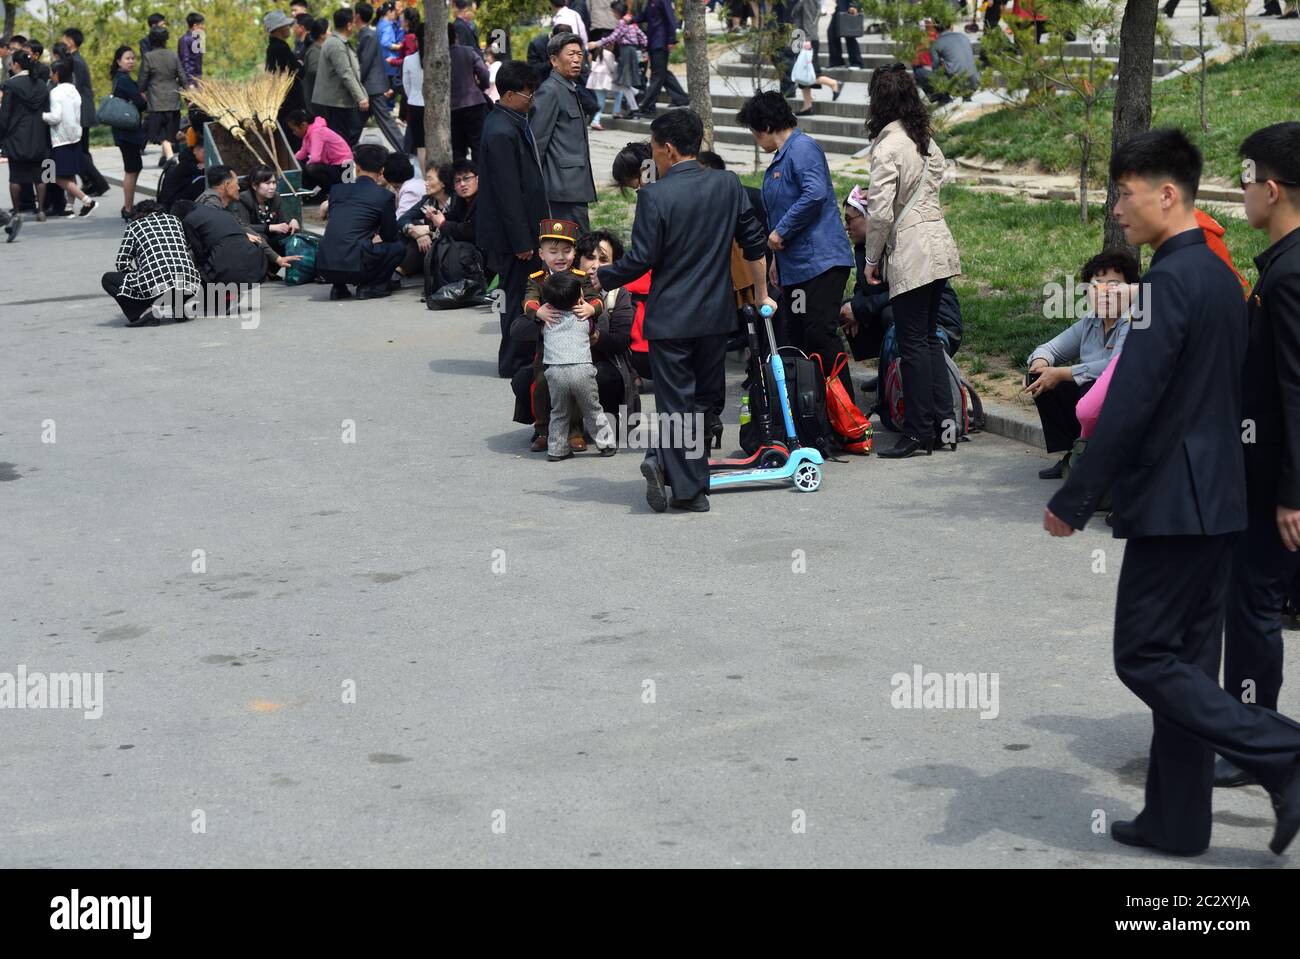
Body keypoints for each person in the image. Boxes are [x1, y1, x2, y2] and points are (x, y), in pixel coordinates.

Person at [1044, 128, 1300, 858]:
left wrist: (1075, 497)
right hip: (1220, 500)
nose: (1117, 208)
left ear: (1167, 194)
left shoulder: (1166, 284)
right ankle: (1178, 820)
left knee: (1144, 657)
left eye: (1126, 192)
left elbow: (1133, 403)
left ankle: (1280, 750)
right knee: (1184, 664)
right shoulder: (1221, 276)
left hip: (1176, 502)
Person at [596, 109, 775, 513]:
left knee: (676, 404)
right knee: (702, 401)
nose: (653, 159)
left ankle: (687, 486)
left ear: (669, 150)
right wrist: (762, 294)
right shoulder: (728, 184)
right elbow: (754, 242)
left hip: (671, 320)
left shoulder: (655, 196)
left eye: (655, 150)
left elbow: (641, 259)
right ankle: (675, 470)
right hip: (715, 318)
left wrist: (604, 277)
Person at [1216, 123, 1300, 789]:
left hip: (1277, 478)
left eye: (1245, 179)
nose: (1238, 191)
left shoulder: (1290, 273)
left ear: (1271, 190)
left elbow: (1296, 388)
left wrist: (1292, 491)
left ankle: (1256, 739)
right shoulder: (1283, 263)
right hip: (1268, 468)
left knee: (1253, 603)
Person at [861, 63, 962, 458]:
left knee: (913, 342)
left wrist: (871, 258)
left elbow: (881, 212)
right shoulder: (924, 139)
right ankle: (942, 422)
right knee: (929, 341)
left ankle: (919, 430)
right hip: (938, 244)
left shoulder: (888, 146)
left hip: (912, 251)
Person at [738, 91, 855, 400]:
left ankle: (846, 410)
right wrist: (778, 257)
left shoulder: (802, 149)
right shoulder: (782, 158)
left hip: (821, 263)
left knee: (820, 334)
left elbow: (814, 194)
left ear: (764, 126)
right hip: (795, 267)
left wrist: (781, 233)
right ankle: (813, 411)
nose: (755, 140)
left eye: (753, 132)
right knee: (800, 337)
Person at [1023, 250, 1137, 479]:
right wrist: (1040, 363)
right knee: (1038, 378)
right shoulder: (1091, 321)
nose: (1104, 292)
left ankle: (1099, 457)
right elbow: (1050, 348)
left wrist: (1062, 373)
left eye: (1114, 284)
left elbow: (1115, 366)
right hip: (1089, 396)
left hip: (1122, 397)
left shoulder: (1134, 320)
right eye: (1097, 285)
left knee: (1082, 384)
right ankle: (1072, 454)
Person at [477, 60, 551, 378]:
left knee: (523, 294)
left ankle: (517, 357)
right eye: (527, 92)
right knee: (518, 297)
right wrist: (522, 240)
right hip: (513, 238)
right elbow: (508, 193)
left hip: (521, 231)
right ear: (508, 94)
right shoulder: (500, 130)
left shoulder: (513, 120)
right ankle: (514, 360)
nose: (531, 98)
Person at [513, 218, 607, 454]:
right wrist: (539, 311)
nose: (560, 257)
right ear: (542, 253)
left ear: (575, 252)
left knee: (577, 385)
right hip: (548, 346)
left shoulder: (580, 276)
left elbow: (597, 299)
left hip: (577, 345)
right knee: (544, 384)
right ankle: (543, 430)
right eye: (553, 251)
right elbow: (528, 301)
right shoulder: (537, 278)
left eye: (567, 251)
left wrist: (590, 308)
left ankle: (575, 431)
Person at [534, 268, 616, 461]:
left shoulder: (547, 321)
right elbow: (592, 331)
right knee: (593, 409)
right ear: (579, 296)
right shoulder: (584, 318)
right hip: (582, 370)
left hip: (555, 372)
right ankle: (606, 445)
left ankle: (556, 450)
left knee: (559, 412)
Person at [316, 142, 404, 299]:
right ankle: (372, 287)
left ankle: (338, 287)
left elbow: (339, 226)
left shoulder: (336, 190)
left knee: (346, 242)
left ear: (356, 167)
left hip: (324, 263)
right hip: (356, 266)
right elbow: (390, 235)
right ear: (382, 171)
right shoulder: (384, 196)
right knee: (397, 247)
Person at [185, 165, 294, 283]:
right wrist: (243, 235)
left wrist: (277, 259)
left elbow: (243, 227)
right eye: (236, 183)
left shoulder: (220, 204)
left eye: (274, 182)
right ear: (227, 185)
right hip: (200, 267)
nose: (238, 187)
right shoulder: (210, 205)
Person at [532, 32, 597, 230]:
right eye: (570, 55)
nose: (577, 59)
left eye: (579, 54)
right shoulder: (550, 91)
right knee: (570, 244)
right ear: (554, 60)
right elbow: (537, 142)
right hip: (560, 188)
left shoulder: (568, 87)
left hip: (574, 185)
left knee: (579, 244)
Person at [103, 200, 202, 326]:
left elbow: (122, 262)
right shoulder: (175, 221)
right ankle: (179, 307)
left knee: (107, 279)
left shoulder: (135, 226)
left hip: (157, 286)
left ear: (139, 214)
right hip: (191, 284)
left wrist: (139, 277)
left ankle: (145, 312)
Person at [41, 59, 96, 217]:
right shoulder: (74, 91)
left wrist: (42, 116)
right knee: (70, 174)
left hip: (60, 138)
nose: (50, 76)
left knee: (54, 176)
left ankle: (87, 200)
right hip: (74, 136)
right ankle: (69, 208)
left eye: (52, 73)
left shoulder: (55, 92)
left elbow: (55, 117)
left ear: (57, 74)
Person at [0, 50, 51, 222]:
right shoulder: (42, 84)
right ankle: (42, 211)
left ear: (16, 64)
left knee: (16, 176)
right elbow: (47, 109)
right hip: (39, 134)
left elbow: (5, 114)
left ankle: (17, 211)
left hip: (17, 136)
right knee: (41, 175)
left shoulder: (11, 85)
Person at [60, 29, 110, 198]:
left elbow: (77, 89)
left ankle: (97, 183)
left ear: (71, 42)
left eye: (65, 39)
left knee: (80, 152)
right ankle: (90, 182)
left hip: (81, 112)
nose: (62, 41)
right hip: (81, 111)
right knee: (82, 151)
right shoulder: (75, 60)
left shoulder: (75, 62)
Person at [312, 7, 370, 146]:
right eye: (353, 22)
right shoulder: (335, 44)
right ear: (349, 25)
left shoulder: (339, 41)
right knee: (343, 137)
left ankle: (343, 163)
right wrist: (360, 96)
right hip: (335, 102)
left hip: (339, 101)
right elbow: (346, 73)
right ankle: (342, 166)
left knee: (347, 134)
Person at [354, 2, 404, 152]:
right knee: (355, 125)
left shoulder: (368, 35)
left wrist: (354, 82)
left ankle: (406, 152)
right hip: (370, 87)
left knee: (386, 124)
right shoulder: (366, 33)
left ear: (357, 16)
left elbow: (365, 63)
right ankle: (344, 153)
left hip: (372, 88)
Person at [107, 45, 148, 220]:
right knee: (131, 169)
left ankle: (128, 206)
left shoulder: (119, 78)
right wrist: (142, 98)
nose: (131, 61)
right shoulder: (124, 80)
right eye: (127, 58)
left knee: (134, 167)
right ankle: (128, 208)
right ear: (118, 61)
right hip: (127, 131)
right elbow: (141, 102)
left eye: (133, 58)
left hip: (123, 130)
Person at [589, 3, 646, 120]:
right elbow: (644, 38)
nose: (613, 14)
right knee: (622, 83)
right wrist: (643, 50)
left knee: (622, 82)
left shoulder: (621, 23)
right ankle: (635, 100)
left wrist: (597, 43)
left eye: (613, 12)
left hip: (625, 52)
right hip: (632, 52)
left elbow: (613, 37)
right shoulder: (632, 24)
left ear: (617, 12)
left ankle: (635, 103)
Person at [138, 25, 185, 166]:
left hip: (156, 101)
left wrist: (142, 90)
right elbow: (182, 77)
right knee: (170, 131)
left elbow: (142, 80)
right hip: (173, 100)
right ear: (166, 40)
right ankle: (164, 158)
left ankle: (170, 158)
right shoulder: (173, 55)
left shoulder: (148, 57)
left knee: (160, 133)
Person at [634, 0, 688, 117]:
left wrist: (671, 39)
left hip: (660, 42)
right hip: (654, 41)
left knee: (657, 75)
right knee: (662, 72)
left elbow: (670, 19)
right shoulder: (650, 2)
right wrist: (631, 19)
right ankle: (681, 98)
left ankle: (648, 107)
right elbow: (645, 16)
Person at [448, 23, 491, 161]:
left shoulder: (438, 57)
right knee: (478, 144)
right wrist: (482, 87)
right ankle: (479, 177)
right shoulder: (467, 51)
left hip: (451, 107)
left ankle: (461, 177)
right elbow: (484, 72)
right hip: (474, 103)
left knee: (457, 147)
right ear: (456, 37)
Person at [235, 166, 300, 256]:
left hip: (270, 240)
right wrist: (270, 227)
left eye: (274, 182)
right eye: (267, 183)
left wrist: (291, 222)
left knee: (292, 236)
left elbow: (281, 223)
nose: (272, 187)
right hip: (253, 241)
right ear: (254, 185)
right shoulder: (244, 198)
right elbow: (243, 226)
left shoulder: (276, 197)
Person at [916, 13, 979, 104]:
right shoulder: (963, 36)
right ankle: (966, 96)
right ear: (951, 25)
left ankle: (943, 98)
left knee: (919, 72)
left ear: (935, 27)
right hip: (974, 81)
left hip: (957, 85)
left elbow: (935, 68)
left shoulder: (937, 43)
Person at [264, 11, 306, 146]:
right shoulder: (280, 48)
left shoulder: (274, 47)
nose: (288, 28)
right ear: (278, 29)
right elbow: (294, 72)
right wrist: (300, 66)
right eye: (285, 26)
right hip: (289, 102)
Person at [288, 109, 351, 198]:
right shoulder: (308, 135)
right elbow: (301, 154)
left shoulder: (317, 132)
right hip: (333, 166)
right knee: (301, 165)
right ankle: (311, 192)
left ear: (303, 125)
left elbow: (315, 158)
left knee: (311, 168)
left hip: (344, 168)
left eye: (294, 130)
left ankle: (330, 191)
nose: (293, 133)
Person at [398, 15, 426, 167]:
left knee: (420, 147)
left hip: (415, 104)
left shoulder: (408, 60)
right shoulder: (440, 59)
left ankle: (424, 180)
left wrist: (414, 96)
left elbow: (406, 86)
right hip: (434, 107)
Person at [157, 130, 206, 212]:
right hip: (171, 205)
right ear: (195, 150)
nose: (206, 155)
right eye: (204, 152)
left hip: (173, 201)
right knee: (203, 182)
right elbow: (209, 173)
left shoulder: (188, 159)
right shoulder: (187, 163)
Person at [301, 18, 329, 119]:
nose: (331, 33)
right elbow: (314, 70)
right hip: (318, 102)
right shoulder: (314, 51)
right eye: (328, 30)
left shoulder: (320, 49)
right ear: (322, 35)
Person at [384, 151, 422, 219]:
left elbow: (399, 220)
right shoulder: (418, 182)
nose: (396, 190)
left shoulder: (410, 190)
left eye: (396, 187)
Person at [826, 0, 864, 68]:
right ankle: (837, 62)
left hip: (848, 4)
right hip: (841, 5)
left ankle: (857, 63)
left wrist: (854, 5)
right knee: (832, 33)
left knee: (849, 34)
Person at [179, 12, 205, 88]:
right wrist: (190, 82)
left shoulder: (198, 39)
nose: (204, 27)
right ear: (195, 26)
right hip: (190, 80)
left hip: (198, 79)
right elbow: (185, 62)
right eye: (202, 24)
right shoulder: (185, 40)